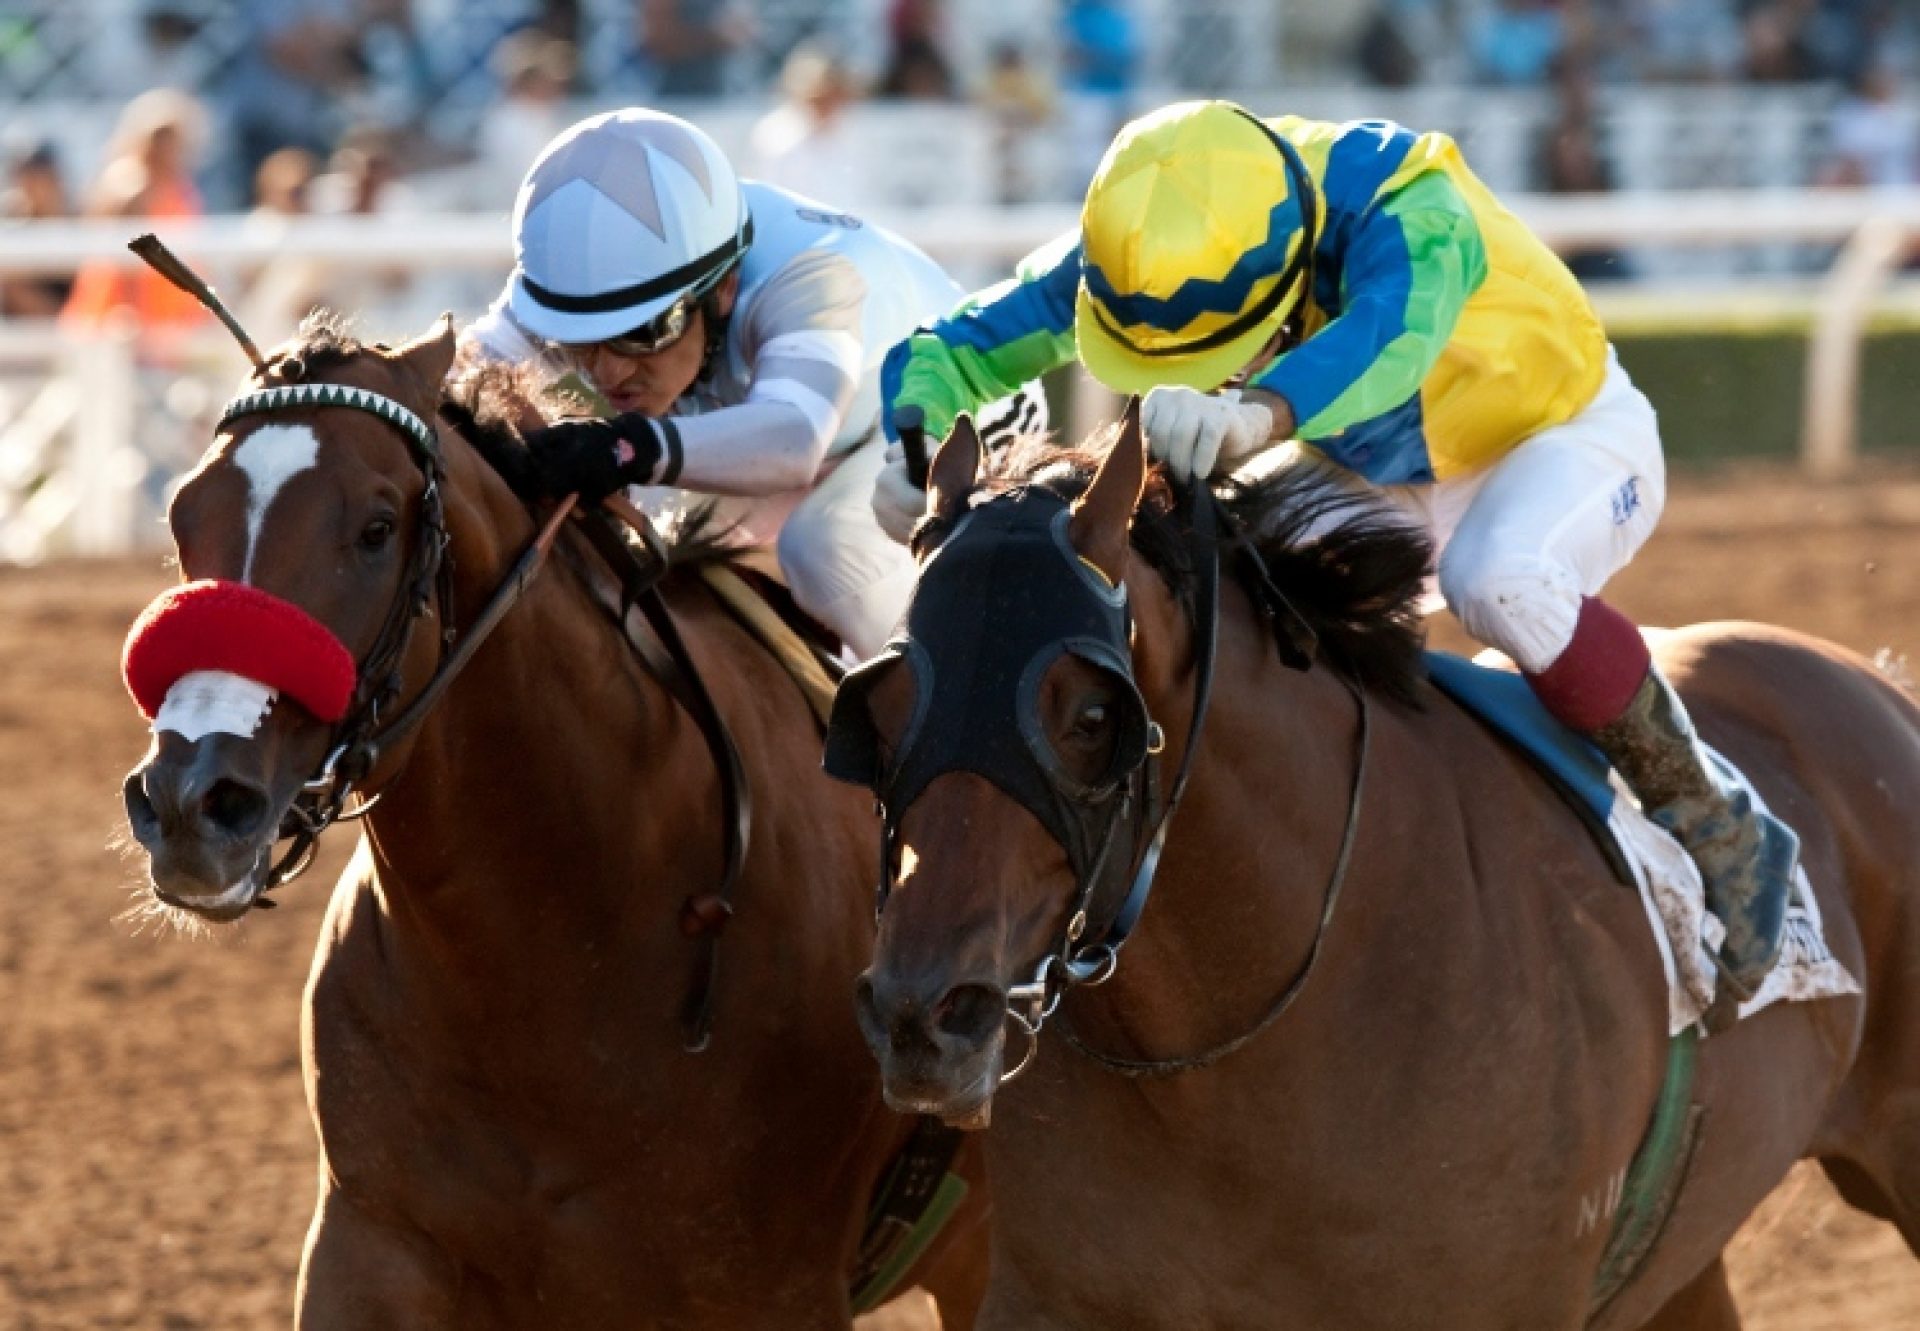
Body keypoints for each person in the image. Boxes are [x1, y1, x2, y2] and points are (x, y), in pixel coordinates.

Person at [877, 99, 1797, 992]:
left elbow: (1391, 335)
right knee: (1208, 577)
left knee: (1498, 579)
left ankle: (1719, 820)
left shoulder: (1410, 200)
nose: (1203, 380)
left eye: (1217, 356)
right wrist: (911, 438)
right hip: (1382, 469)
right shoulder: (1158, 245)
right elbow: (957, 345)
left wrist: (1263, 408)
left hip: (1560, 438)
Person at [465, 109, 1044, 658]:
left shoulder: (810, 275)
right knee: (630, 525)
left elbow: (792, 443)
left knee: (824, 546)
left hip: (964, 415)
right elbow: (461, 369)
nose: (608, 370)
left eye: (644, 332)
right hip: (823, 434)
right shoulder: (626, 270)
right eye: (576, 339)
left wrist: (627, 446)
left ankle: (971, 731)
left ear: (725, 288)